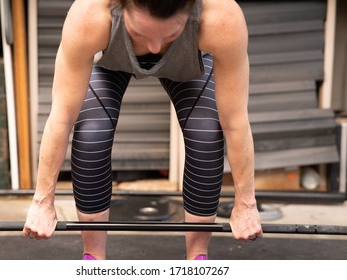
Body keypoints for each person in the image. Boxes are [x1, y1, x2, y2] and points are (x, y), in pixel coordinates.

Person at [23, 0, 263, 260]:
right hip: (111, 60)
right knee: (92, 133)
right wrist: (42, 201)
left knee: (206, 131)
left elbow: (235, 122)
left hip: (186, 61)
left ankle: (197, 258)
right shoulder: (90, 15)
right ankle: (93, 257)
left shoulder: (221, 17)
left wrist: (245, 203)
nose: (155, 48)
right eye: (139, 34)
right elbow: (61, 118)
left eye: (171, 34)